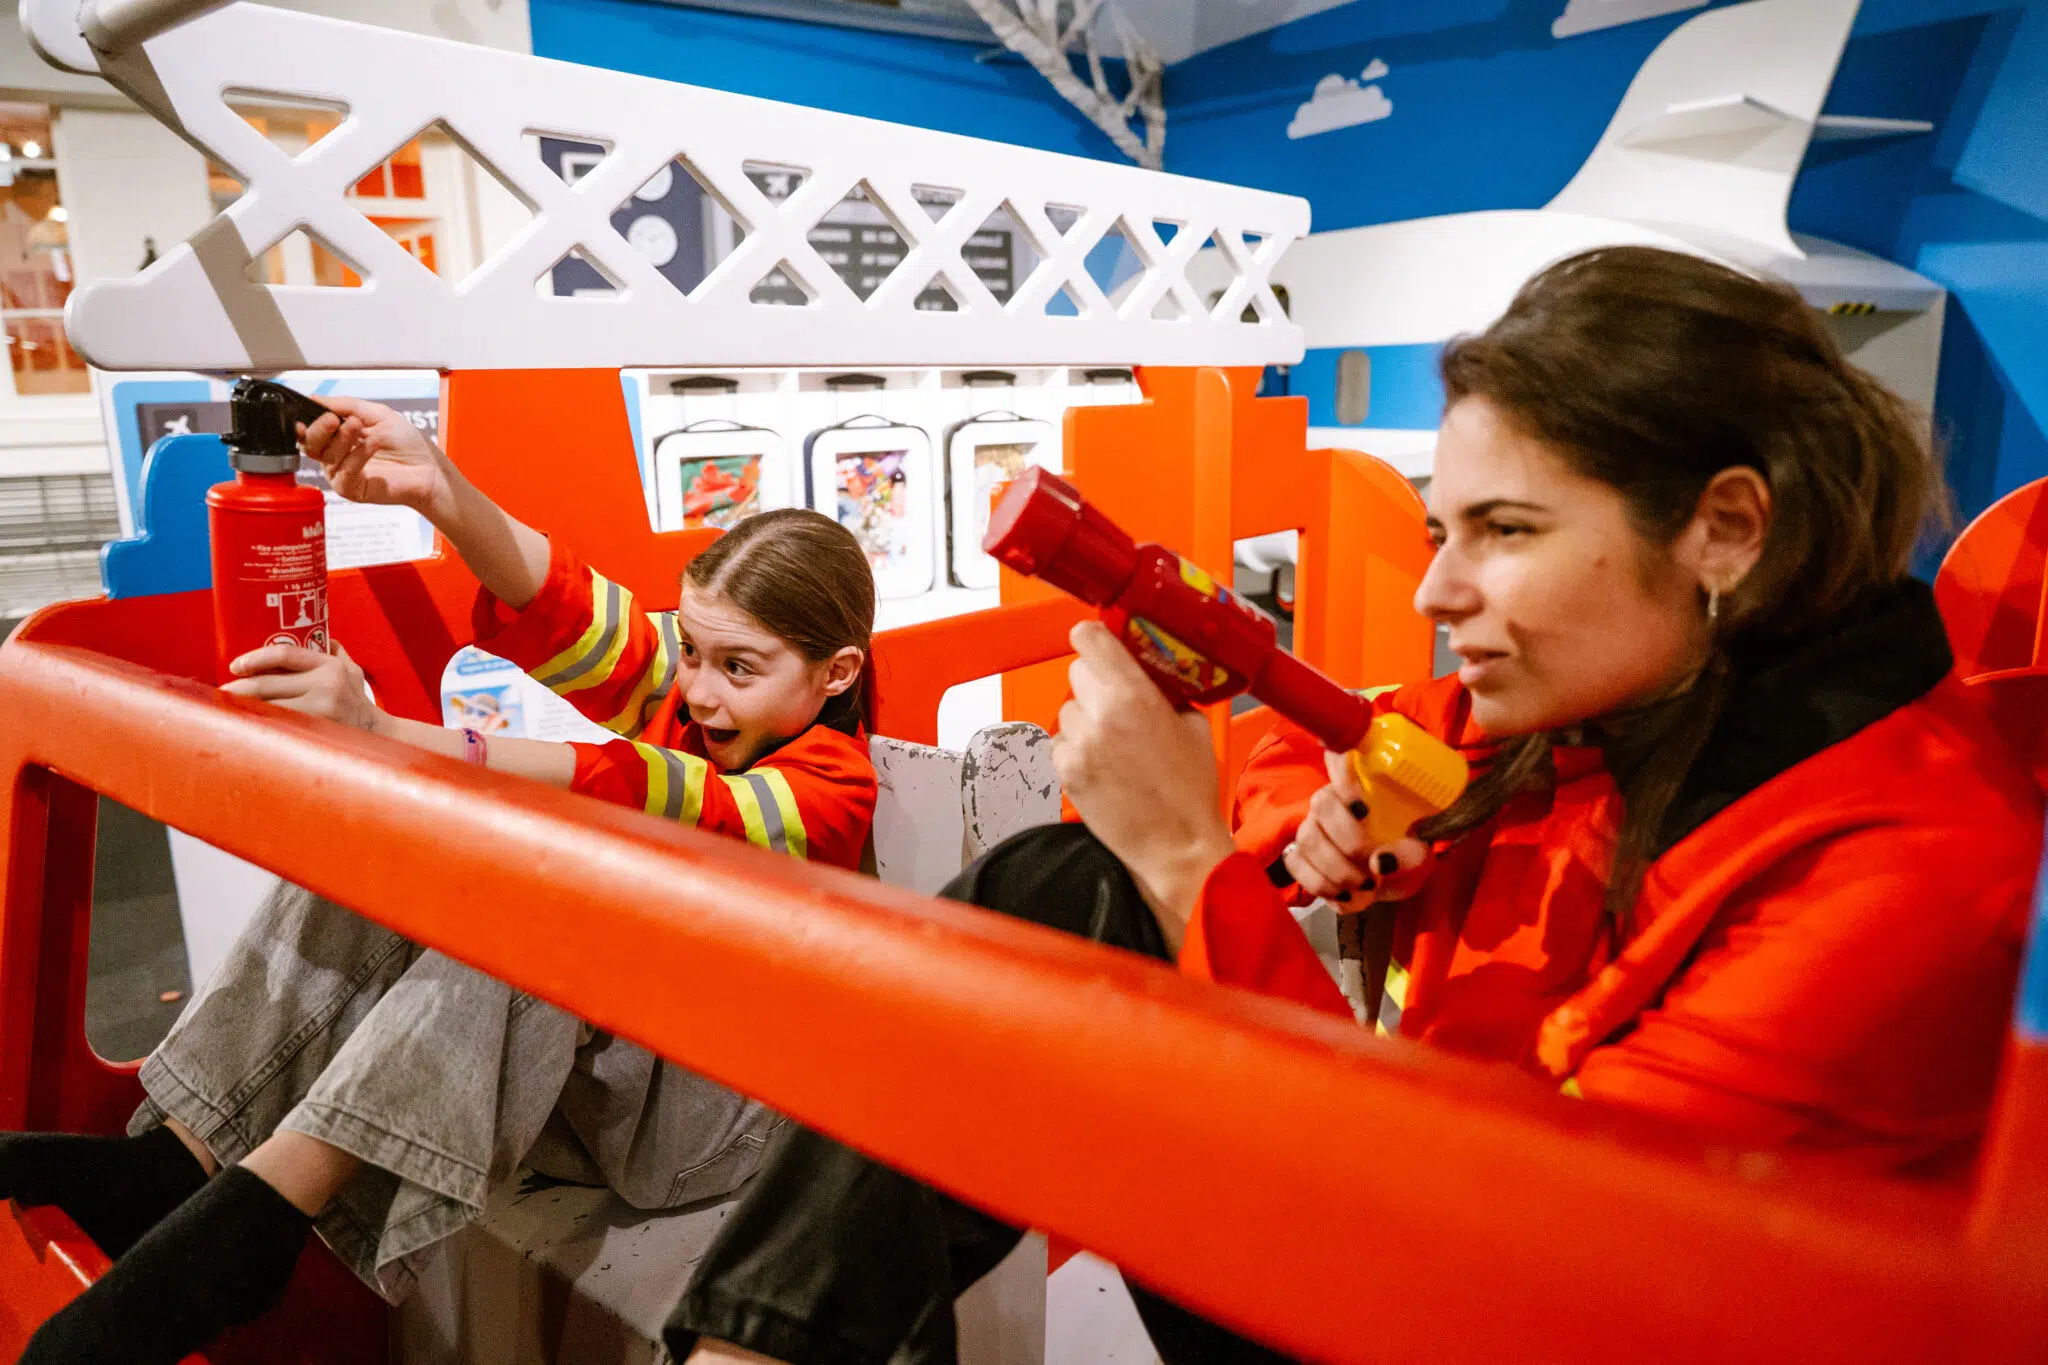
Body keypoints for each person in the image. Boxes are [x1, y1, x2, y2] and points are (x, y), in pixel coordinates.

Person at [662, 246, 2045, 1365]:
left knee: (1075, 894)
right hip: (1415, 1221)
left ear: (1727, 530)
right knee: (1059, 891)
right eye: (1442, 528)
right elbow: (1358, 740)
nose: (1442, 590)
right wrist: (1306, 828)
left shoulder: (1915, 869)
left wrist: (1189, 858)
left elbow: (1534, 1277)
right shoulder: (1611, 702)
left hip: (1480, 1293)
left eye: (1505, 532)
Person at [0, 398, 880, 1364]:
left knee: (543, 875)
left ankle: (263, 1214)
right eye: (693, 654)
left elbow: (659, 792)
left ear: (836, 673)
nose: (700, 688)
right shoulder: (705, 697)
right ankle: (182, 1156)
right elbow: (568, 605)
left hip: (714, 1116)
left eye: (739, 667)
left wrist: (384, 734)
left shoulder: (834, 789)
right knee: (418, 841)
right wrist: (439, 486)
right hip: (606, 1073)